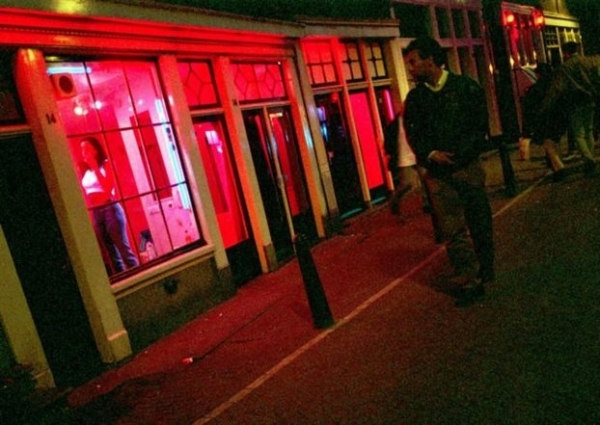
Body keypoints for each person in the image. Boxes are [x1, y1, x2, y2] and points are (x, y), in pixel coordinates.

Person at [403, 36, 494, 307]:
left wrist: (460, 155)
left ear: (430, 59)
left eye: (413, 62)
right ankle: (468, 278)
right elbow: (413, 134)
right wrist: (431, 154)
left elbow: (479, 126)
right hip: (438, 174)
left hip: (468, 167)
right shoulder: (416, 99)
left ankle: (485, 265)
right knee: (452, 227)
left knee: (479, 219)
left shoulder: (466, 87)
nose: (410, 68)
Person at [80, 136, 139, 274]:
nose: (84, 152)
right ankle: (123, 279)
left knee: (124, 250)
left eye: (87, 148)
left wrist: (95, 167)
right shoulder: (86, 171)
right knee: (112, 255)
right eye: (82, 149)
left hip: (110, 208)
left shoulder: (105, 165)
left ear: (96, 150)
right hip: (96, 211)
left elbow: (108, 188)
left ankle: (138, 275)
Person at [540, 41, 600, 176]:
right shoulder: (587, 62)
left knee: (578, 133)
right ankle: (590, 156)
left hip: (575, 102)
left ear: (565, 52)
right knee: (589, 130)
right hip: (589, 99)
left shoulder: (565, 68)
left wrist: (546, 105)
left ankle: (588, 159)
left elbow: (557, 88)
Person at [521, 63, 568, 181]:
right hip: (558, 118)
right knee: (554, 143)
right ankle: (557, 167)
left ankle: (559, 169)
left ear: (538, 74)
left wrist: (527, 128)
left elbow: (529, 108)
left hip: (544, 120)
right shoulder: (556, 86)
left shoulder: (535, 89)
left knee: (548, 145)